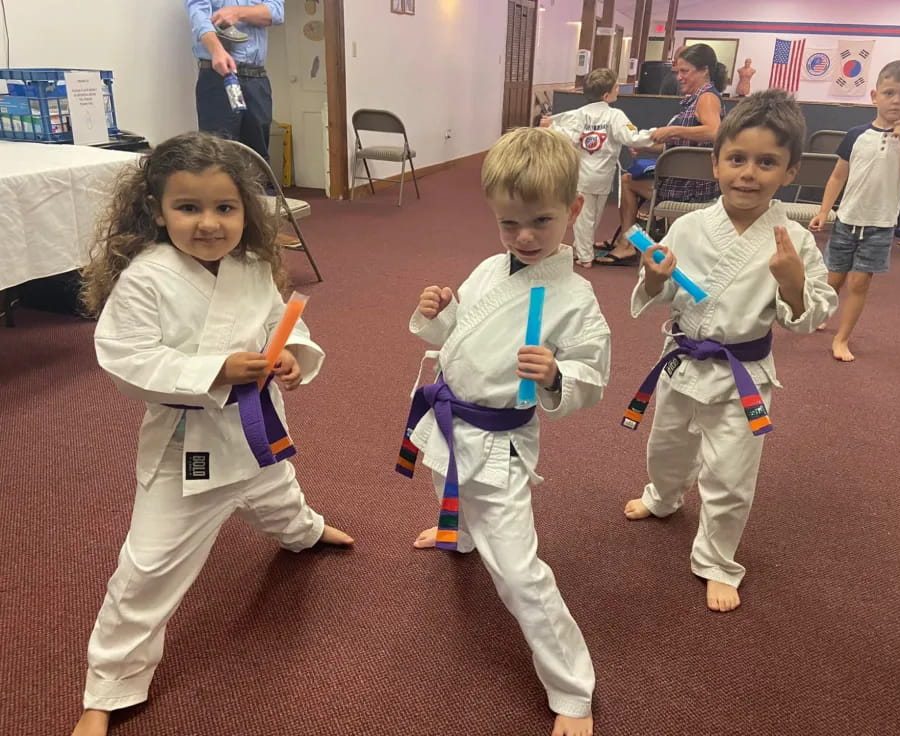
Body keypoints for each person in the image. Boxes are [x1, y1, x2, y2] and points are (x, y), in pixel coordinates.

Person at [70, 133, 354, 736]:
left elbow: (281, 322)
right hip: (188, 443)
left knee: (277, 490)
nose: (208, 223)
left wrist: (292, 356)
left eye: (225, 208)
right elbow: (126, 358)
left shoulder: (253, 266)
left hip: (255, 426)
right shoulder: (147, 279)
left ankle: (302, 534)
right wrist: (214, 371)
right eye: (189, 208)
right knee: (148, 565)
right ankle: (110, 684)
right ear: (155, 208)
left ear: (245, 212)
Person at [399, 127, 610, 736]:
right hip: (451, 413)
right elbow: (456, 341)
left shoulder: (576, 299)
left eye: (540, 222)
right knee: (446, 482)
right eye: (508, 224)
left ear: (573, 211)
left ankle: (572, 689)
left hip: (498, 436)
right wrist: (439, 313)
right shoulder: (492, 269)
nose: (522, 238)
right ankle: (458, 532)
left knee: (518, 570)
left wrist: (555, 374)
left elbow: (590, 379)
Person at [621, 90, 837, 613]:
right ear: (715, 161)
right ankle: (664, 496)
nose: (748, 173)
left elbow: (813, 314)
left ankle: (717, 561)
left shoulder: (793, 241)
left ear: (790, 171)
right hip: (681, 363)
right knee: (667, 449)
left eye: (767, 163)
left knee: (731, 476)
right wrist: (654, 279)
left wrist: (791, 284)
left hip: (744, 375)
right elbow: (662, 292)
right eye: (736, 158)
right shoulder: (689, 226)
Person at [809, 60, 900, 362]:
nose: (896, 100)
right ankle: (821, 315)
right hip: (848, 218)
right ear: (875, 96)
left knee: (860, 282)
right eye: (889, 92)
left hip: (881, 223)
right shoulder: (856, 134)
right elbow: (838, 176)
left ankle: (842, 337)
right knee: (833, 279)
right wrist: (824, 211)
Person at [596, 43, 726, 266]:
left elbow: (715, 131)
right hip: (686, 179)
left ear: (704, 70)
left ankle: (627, 245)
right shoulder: (696, 98)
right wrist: (648, 146)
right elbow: (684, 143)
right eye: (677, 72)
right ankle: (626, 240)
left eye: (685, 71)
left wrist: (672, 130)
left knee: (628, 182)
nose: (679, 77)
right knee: (633, 178)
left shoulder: (706, 97)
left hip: (693, 187)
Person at [185, 1, 301, 247]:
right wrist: (216, 49)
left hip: (257, 77)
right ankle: (220, 237)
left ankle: (266, 232)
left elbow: (276, 12)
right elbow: (198, 14)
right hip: (218, 77)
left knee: (259, 157)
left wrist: (237, 13)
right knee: (217, 159)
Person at [541, 68, 653, 268]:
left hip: (582, 174)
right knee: (594, 216)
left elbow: (566, 137)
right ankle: (585, 255)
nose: (618, 89)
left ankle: (583, 252)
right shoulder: (615, 115)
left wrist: (550, 126)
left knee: (584, 217)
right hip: (603, 175)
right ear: (606, 95)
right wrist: (655, 134)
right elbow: (631, 137)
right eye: (616, 87)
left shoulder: (578, 115)